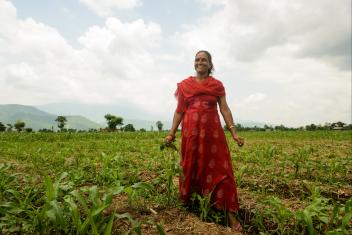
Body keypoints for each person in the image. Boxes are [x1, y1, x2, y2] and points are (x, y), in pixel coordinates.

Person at [164, 50, 244, 232]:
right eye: (197, 59)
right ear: (194, 63)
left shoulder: (217, 85)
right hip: (191, 132)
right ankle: (190, 205)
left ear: (210, 64)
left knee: (219, 169)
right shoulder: (185, 85)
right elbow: (179, 111)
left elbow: (224, 109)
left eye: (204, 60)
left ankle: (230, 214)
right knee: (190, 165)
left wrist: (234, 132)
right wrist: (171, 133)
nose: (200, 62)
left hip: (212, 134)